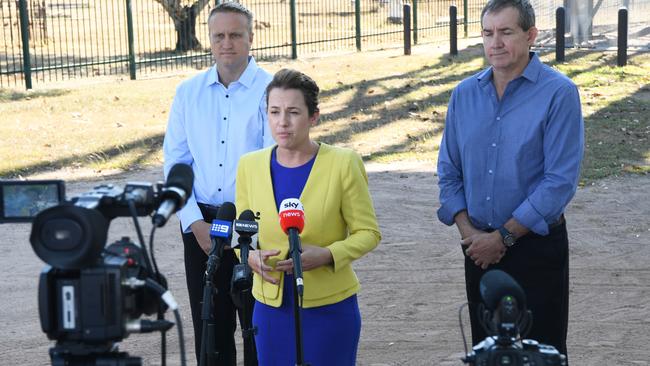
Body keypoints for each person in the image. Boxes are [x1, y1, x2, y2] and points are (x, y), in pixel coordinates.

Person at [436, 0, 584, 359]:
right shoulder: (464, 95)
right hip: (479, 252)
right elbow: (448, 172)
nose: (495, 43)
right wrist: (472, 235)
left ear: (531, 35)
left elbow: (559, 181)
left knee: (540, 354)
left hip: (535, 250)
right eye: (488, 33)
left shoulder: (559, 94)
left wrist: (503, 236)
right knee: (488, 354)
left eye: (506, 32)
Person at [235, 69, 381, 366]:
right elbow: (243, 235)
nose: (282, 122)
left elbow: (368, 233)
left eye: (293, 112)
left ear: (313, 116)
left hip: (329, 310)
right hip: (270, 310)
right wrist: (249, 257)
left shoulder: (343, 163)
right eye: (274, 112)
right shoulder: (249, 166)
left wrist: (328, 254)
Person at [162, 3, 273, 365]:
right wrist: (195, 224)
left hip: (256, 227)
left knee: (260, 328)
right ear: (209, 40)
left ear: (251, 38)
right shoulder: (188, 93)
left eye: (235, 35)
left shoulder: (272, 91)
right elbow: (176, 163)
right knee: (210, 330)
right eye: (219, 36)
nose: (227, 43)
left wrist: (253, 231)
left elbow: (275, 161)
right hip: (201, 228)